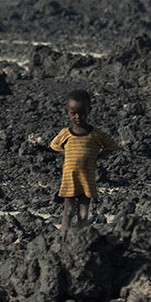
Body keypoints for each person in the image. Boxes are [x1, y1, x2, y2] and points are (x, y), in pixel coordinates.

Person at [49, 89, 118, 232]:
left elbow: (112, 145)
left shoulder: (95, 134)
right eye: (73, 113)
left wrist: (97, 156)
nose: (78, 117)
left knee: (83, 212)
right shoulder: (65, 134)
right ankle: (63, 236)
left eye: (82, 113)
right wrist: (67, 153)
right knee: (68, 211)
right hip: (70, 178)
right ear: (67, 111)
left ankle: (82, 236)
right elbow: (54, 145)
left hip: (87, 178)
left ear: (89, 111)